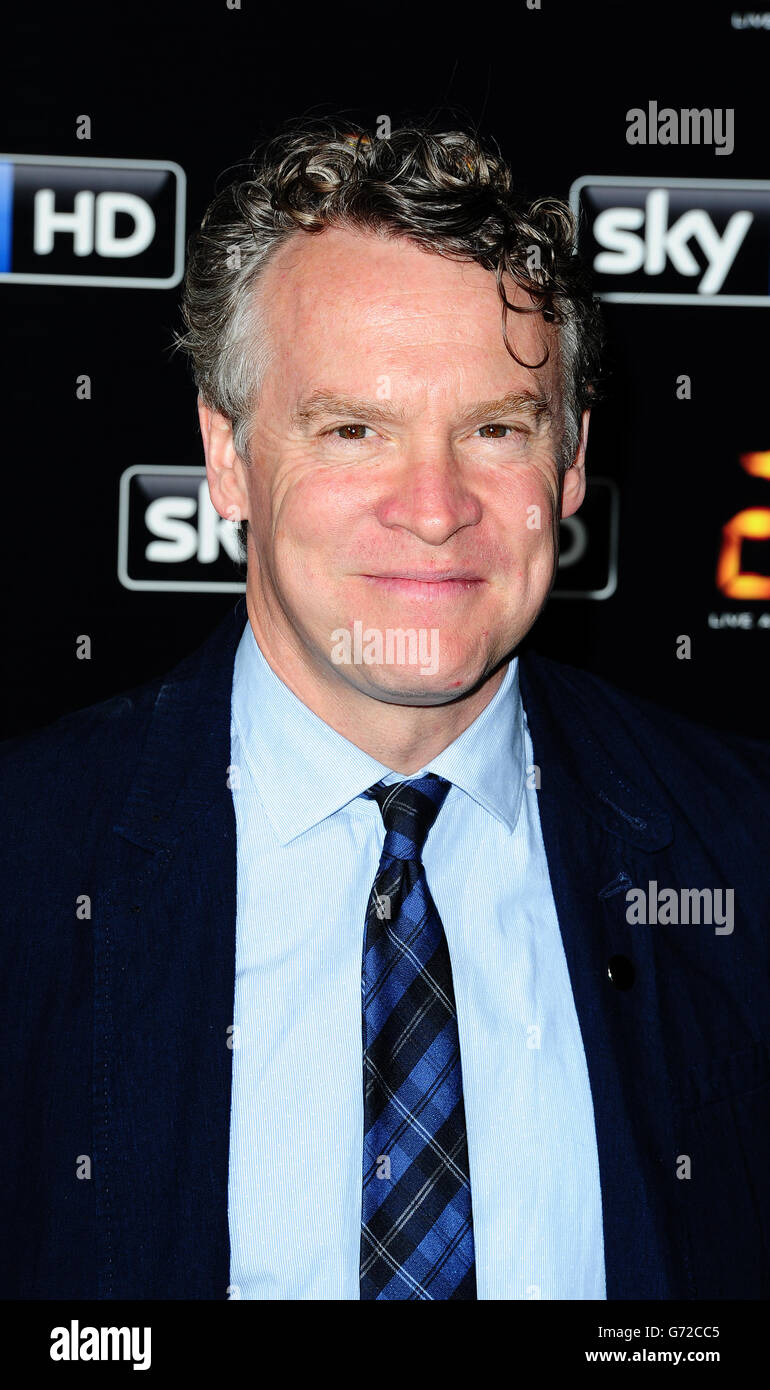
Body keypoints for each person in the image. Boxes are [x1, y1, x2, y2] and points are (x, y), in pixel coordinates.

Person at [2, 119, 768, 1301]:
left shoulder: (739, 848)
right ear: (227, 454)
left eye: (494, 430)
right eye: (353, 428)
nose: (431, 507)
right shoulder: (29, 858)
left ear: (567, 464)